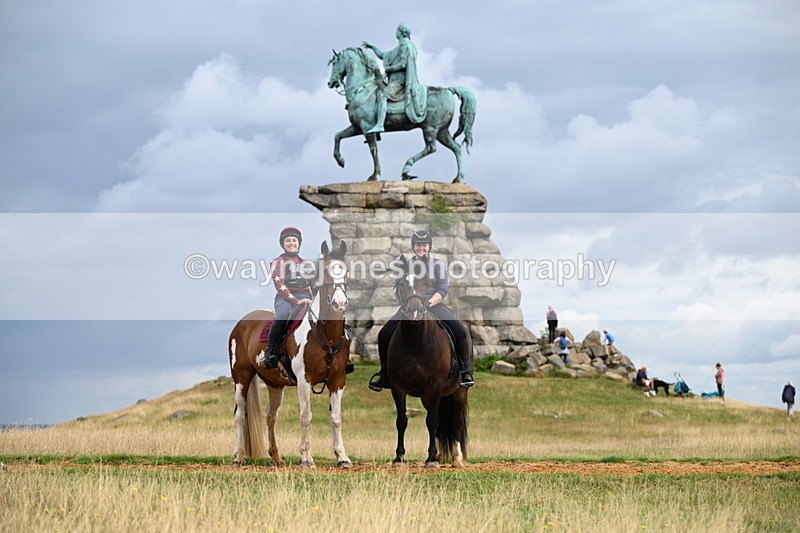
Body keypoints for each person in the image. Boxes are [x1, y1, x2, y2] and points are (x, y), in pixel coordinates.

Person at [369, 230, 474, 391]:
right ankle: (385, 374)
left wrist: (428, 303)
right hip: (409, 307)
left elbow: (443, 290)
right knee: (383, 334)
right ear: (413, 247)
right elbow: (400, 288)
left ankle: (465, 371)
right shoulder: (407, 265)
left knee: (460, 331)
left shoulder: (437, 265)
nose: (421, 248)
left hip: (434, 305)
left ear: (429, 247)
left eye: (424, 245)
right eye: (418, 245)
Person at [258, 227, 314, 369]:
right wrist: (296, 301)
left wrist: (315, 299)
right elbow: (279, 285)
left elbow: (315, 283)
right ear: (283, 244)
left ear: (299, 243)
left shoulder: (307, 263)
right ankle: (271, 352)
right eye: (288, 240)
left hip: (307, 297)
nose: (291, 243)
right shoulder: (278, 262)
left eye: (294, 240)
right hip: (286, 299)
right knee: (282, 316)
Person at [362, 22, 427, 133]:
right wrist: (372, 47)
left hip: (399, 82)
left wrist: (389, 69)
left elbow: (403, 64)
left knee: (382, 96)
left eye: (397, 31)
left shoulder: (405, 46)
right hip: (395, 80)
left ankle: (380, 125)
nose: (395, 33)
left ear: (401, 32)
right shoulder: (401, 46)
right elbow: (383, 55)